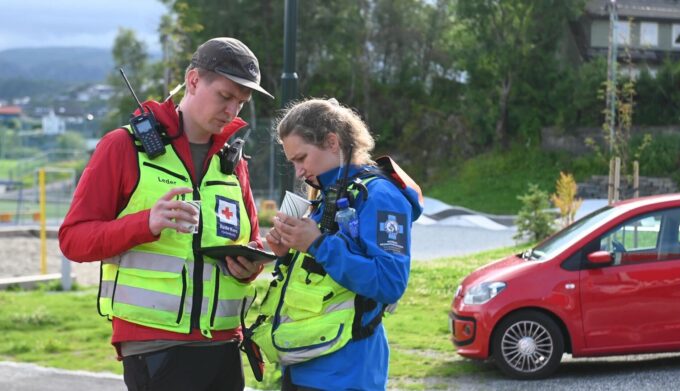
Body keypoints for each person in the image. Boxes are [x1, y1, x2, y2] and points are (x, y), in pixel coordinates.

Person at [59, 37, 274, 391]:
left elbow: (246, 243)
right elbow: (73, 240)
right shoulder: (123, 147)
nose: (232, 110)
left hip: (224, 344)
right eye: (225, 96)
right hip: (155, 348)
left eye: (242, 102)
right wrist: (145, 224)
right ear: (193, 80)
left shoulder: (233, 165)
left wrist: (250, 265)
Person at [249, 98, 423, 390]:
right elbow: (319, 279)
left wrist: (317, 244)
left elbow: (390, 282)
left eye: (302, 158)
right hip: (304, 363)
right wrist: (285, 252)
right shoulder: (328, 193)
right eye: (293, 162)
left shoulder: (381, 196)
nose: (299, 172)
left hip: (347, 375)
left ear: (332, 142)